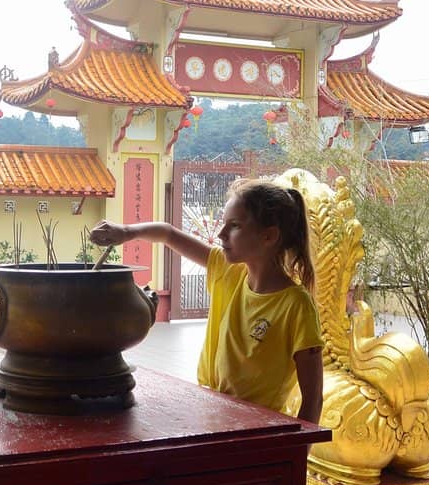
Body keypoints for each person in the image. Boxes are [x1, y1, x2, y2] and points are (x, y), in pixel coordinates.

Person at [90, 179, 323, 424]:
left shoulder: (296, 305)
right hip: (210, 415)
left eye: (234, 226)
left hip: (258, 433)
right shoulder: (228, 272)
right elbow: (167, 234)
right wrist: (126, 232)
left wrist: (297, 456)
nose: (221, 234)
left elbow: (313, 399)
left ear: (269, 236)